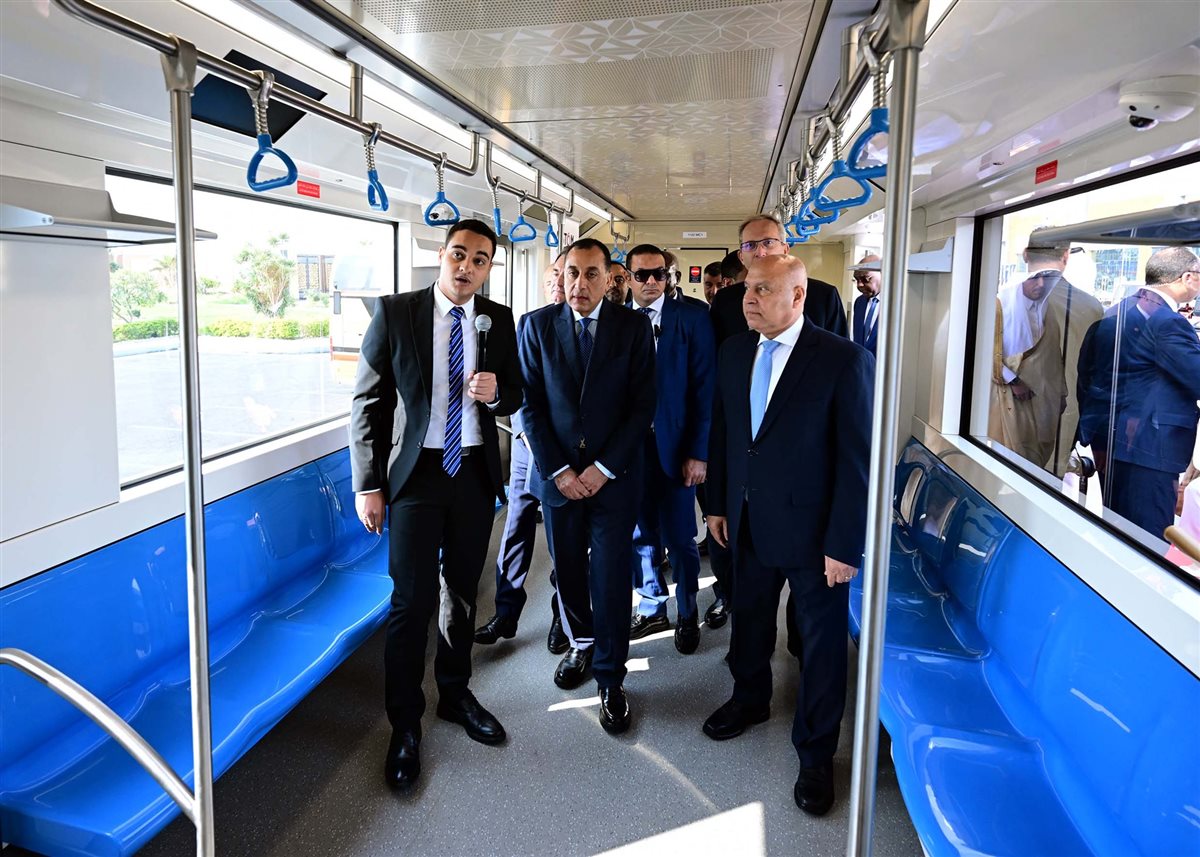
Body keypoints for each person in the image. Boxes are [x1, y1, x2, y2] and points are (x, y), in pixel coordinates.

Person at [350, 219, 523, 792]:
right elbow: (369, 404)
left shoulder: (497, 318)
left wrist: (496, 395)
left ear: (489, 267)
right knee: (411, 601)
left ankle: (454, 693)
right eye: (458, 254)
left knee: (463, 592)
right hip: (416, 477)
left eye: (480, 259)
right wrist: (368, 484)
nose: (466, 267)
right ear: (442, 254)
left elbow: (517, 392)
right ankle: (405, 724)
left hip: (473, 473)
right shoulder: (396, 312)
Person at [704, 255, 872, 817]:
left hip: (814, 534)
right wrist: (717, 505)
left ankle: (817, 753)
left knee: (821, 646)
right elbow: (725, 433)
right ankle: (749, 698)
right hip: (746, 520)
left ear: (798, 296)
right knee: (749, 619)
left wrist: (844, 545)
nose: (748, 299)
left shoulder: (843, 360)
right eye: (748, 288)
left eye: (763, 289)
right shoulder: (734, 352)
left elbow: (856, 462)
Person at [518, 238, 657, 734]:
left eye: (591, 273)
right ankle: (581, 644)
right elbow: (530, 405)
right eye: (571, 273)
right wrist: (559, 470)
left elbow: (643, 405)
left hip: (613, 480)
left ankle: (611, 676)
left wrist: (602, 467)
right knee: (569, 573)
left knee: (611, 578)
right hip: (559, 479)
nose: (579, 283)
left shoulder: (633, 328)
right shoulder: (535, 326)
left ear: (610, 278)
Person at [475, 253, 569, 655]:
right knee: (515, 528)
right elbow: (517, 387)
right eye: (552, 281)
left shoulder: (587, 330)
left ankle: (563, 616)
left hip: (562, 453)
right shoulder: (528, 324)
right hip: (525, 446)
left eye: (564, 279)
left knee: (564, 539)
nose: (558, 286)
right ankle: (506, 613)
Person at [624, 243, 716, 653]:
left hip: (678, 449)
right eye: (641, 274)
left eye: (658, 274)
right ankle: (651, 606)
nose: (651, 281)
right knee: (641, 533)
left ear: (668, 276)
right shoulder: (615, 320)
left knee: (680, 537)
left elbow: (705, 389)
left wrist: (699, 453)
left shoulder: (692, 318)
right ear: (628, 277)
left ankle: (688, 611)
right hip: (629, 451)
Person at [1077, 246, 1200, 539]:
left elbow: (1086, 378)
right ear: (1187, 277)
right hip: (1150, 449)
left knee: (1118, 530)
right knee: (1148, 539)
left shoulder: (1114, 312)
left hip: (1112, 442)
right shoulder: (1168, 322)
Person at [989, 233, 1102, 476]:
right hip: (1066, 416)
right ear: (1065, 256)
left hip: (1008, 416)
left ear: (1026, 255)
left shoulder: (998, 302)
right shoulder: (1091, 307)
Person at [710, 214, 848, 346]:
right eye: (750, 245)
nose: (760, 253)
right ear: (741, 257)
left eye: (768, 242)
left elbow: (840, 352)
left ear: (785, 249)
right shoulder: (724, 300)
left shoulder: (823, 296)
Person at [851, 254, 881, 357]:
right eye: (857, 280)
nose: (859, 285)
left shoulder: (896, 305)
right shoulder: (859, 302)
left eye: (865, 279)